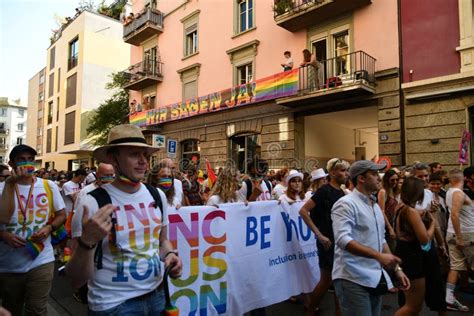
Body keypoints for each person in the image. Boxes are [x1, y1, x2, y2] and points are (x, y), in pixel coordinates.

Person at [66, 124, 182, 314]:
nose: (143, 161)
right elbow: (75, 279)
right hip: (113, 306)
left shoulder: (157, 195)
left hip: (158, 297)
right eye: (134, 154)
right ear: (113, 159)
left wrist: (170, 255)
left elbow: (162, 242)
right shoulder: (92, 202)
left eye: (146, 155)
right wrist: (87, 241)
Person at [331, 160, 410, 316]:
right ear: (361, 178)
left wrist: (396, 269)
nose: (379, 178)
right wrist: (378, 256)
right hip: (352, 277)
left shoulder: (373, 204)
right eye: (374, 174)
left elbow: (380, 239)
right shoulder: (345, 204)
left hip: (373, 277)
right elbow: (342, 240)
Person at [0, 144, 66, 315]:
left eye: (30, 159)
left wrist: (49, 228)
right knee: (11, 308)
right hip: (8, 263)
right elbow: (4, 219)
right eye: (21, 160)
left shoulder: (48, 186)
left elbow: (62, 215)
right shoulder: (2, 188)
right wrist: (3, 235)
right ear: (12, 164)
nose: (27, 163)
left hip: (41, 258)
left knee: (37, 310)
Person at [299, 158, 349, 315]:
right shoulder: (324, 191)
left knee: (333, 280)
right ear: (333, 173)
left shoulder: (342, 192)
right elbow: (303, 211)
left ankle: (314, 310)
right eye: (342, 170)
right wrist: (319, 235)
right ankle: (312, 310)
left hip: (339, 241)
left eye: (347, 171)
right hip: (327, 242)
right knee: (332, 280)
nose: (346, 174)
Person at [394, 177, 436, 315]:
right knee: (413, 306)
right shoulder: (410, 211)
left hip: (404, 252)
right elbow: (425, 239)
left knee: (411, 304)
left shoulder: (400, 207)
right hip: (411, 256)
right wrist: (433, 224)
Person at [409, 163, 447, 315]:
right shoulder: (407, 194)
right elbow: (408, 215)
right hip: (412, 246)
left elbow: (433, 220)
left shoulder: (429, 194)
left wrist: (441, 243)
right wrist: (427, 212)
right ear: (413, 177)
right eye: (420, 176)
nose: (424, 179)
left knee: (437, 287)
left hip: (429, 243)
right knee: (413, 298)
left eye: (426, 176)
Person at [444, 169, 473, 312]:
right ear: (463, 178)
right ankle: (448, 299)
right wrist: (460, 237)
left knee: (455, 267)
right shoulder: (458, 193)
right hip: (466, 235)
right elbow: (454, 215)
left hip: (457, 234)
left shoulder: (450, 191)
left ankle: (448, 299)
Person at [377, 169, 400, 250]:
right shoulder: (383, 192)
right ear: (387, 180)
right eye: (392, 180)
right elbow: (382, 211)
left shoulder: (394, 191)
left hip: (394, 223)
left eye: (397, 180)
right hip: (386, 225)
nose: (395, 182)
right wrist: (390, 228)